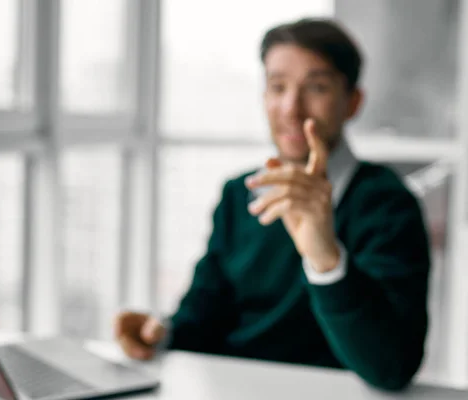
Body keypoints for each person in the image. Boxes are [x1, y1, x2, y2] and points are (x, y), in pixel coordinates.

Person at [114, 18, 430, 392]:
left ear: (353, 102)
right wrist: (159, 333)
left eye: (317, 87)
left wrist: (326, 258)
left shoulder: (387, 205)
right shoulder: (239, 194)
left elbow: (392, 368)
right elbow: (202, 316)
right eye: (277, 86)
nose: (291, 108)